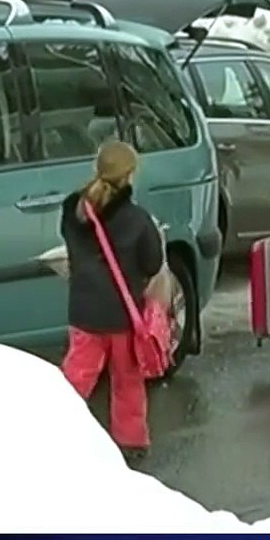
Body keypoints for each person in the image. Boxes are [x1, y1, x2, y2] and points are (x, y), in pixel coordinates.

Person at [59, 139, 165, 463]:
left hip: (84, 311)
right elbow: (152, 263)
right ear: (129, 175)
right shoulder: (137, 219)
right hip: (122, 314)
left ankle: (55, 430)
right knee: (127, 382)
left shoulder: (73, 211)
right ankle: (130, 444)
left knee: (76, 378)